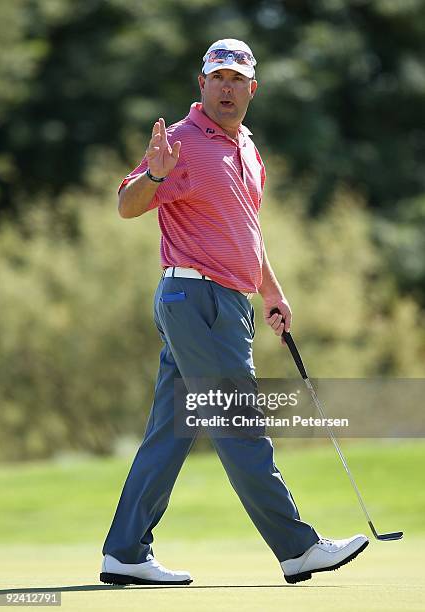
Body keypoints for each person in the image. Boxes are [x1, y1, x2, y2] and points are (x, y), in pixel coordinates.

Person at [100, 38, 368, 587]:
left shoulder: (246, 147)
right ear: (202, 84)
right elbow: (127, 204)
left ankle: (125, 552)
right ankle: (298, 548)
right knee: (240, 424)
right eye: (216, 77)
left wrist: (271, 290)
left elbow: (247, 231)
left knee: (170, 432)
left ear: (252, 88)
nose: (226, 87)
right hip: (197, 299)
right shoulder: (180, 142)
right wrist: (152, 177)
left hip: (223, 303)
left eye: (236, 78)